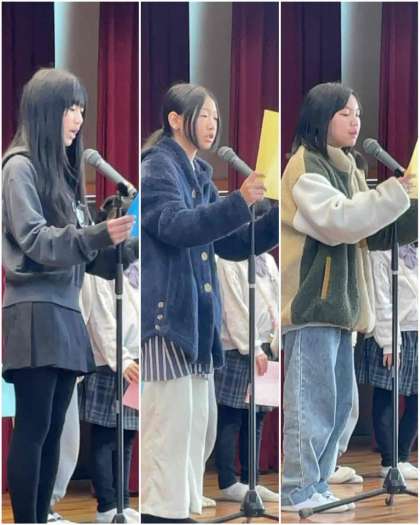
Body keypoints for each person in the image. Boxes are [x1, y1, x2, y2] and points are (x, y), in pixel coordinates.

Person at [2, 68, 136, 524]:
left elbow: (85, 256)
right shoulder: (19, 167)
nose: (78, 119)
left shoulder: (63, 174)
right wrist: (98, 234)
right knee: (34, 427)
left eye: (81, 109)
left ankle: (40, 517)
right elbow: (36, 240)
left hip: (65, 310)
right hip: (33, 310)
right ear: (45, 111)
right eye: (69, 108)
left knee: (55, 430)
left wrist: (127, 246)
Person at [141, 83, 278, 523]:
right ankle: (161, 515)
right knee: (169, 430)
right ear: (175, 119)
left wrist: (278, 215)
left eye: (216, 117)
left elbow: (231, 243)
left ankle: (179, 512)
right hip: (168, 319)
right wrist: (238, 201)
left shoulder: (198, 172)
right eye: (204, 115)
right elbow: (175, 225)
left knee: (196, 429)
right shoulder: (157, 166)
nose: (213, 124)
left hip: (197, 324)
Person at [281, 82, 417, 513]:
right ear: (321, 117)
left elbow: (374, 232)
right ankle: (298, 487)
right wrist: (394, 193)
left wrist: (411, 206)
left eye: (357, 113)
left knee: (339, 404)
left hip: (343, 307)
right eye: (345, 113)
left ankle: (318, 483)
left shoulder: (352, 167)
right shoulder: (305, 165)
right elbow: (339, 221)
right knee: (312, 400)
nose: (355, 121)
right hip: (314, 304)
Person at [214, 200, 279, 503]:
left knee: (257, 416)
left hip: (266, 345)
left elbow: (274, 299)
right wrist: (251, 346)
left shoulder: (267, 260)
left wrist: (274, 340)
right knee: (232, 415)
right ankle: (228, 481)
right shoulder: (229, 257)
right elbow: (234, 307)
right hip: (239, 347)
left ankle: (251, 479)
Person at [355, 244, 418, 479]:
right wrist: (390, 341)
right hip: (391, 332)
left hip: (415, 331)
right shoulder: (380, 251)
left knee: (416, 400)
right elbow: (380, 298)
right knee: (386, 396)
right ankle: (389, 462)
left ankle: (402, 457)